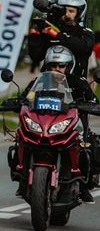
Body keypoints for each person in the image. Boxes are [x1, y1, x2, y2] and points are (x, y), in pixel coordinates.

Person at [19, 45, 97, 204]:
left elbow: (94, 100)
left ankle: (83, 186)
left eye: (61, 65)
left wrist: (89, 105)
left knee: (86, 145)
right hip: (45, 123)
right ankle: (22, 176)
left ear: (69, 66)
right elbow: (26, 97)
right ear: (47, 65)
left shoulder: (79, 82)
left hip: (72, 123)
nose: (57, 68)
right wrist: (17, 103)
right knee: (20, 138)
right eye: (53, 65)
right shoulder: (39, 82)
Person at [29, 0, 94, 79]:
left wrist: (58, 35)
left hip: (77, 85)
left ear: (78, 13)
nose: (67, 14)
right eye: (64, 11)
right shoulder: (49, 31)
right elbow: (36, 57)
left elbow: (84, 47)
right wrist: (35, 35)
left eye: (71, 11)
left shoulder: (85, 33)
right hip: (49, 82)